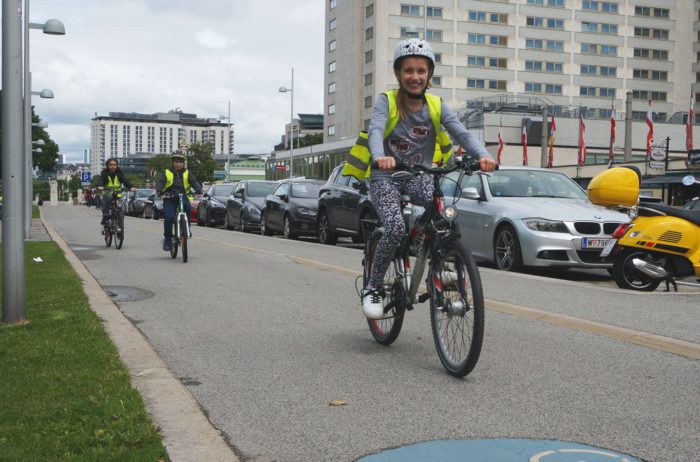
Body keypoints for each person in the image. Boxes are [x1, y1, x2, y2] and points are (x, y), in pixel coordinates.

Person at [358, 38, 497, 319]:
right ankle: (373, 286)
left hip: (418, 174)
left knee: (442, 217)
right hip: (386, 175)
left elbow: (462, 134)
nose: (415, 77)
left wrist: (484, 156)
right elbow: (375, 131)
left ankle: (442, 266)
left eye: (421, 71)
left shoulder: (436, 104)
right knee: (395, 228)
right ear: (398, 74)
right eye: (408, 70)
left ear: (429, 74)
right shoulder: (387, 101)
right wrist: (378, 157)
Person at [155, 153, 203, 251]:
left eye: (180, 162)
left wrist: (199, 190)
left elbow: (194, 182)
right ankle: (168, 240)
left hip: (182, 196)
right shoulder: (167, 172)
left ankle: (187, 227)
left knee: (188, 208)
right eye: (176, 162)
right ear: (172, 163)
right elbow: (161, 182)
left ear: (183, 164)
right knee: (168, 218)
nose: (178, 164)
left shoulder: (187, 172)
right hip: (169, 197)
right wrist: (160, 192)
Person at [95, 158, 135, 225]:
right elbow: (100, 181)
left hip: (117, 195)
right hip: (108, 194)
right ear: (108, 166)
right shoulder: (105, 174)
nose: (113, 166)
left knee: (120, 209)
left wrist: (131, 187)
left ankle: (120, 230)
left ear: (117, 166)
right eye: (111, 165)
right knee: (109, 198)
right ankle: (106, 215)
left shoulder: (120, 174)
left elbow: (126, 181)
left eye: (114, 165)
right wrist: (99, 186)